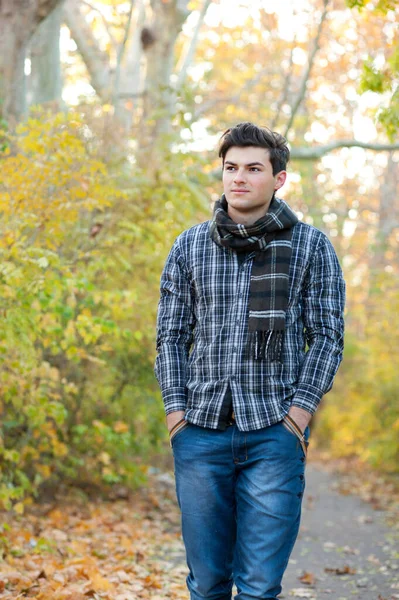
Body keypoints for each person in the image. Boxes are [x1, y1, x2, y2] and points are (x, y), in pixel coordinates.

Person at [155, 122, 345, 600]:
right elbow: (171, 336)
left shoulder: (311, 246)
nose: (239, 178)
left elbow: (325, 338)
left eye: (253, 169)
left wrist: (297, 417)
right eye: (231, 167)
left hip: (273, 434)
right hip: (199, 431)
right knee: (207, 585)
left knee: (260, 587)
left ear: (278, 179)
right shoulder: (190, 246)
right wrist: (176, 416)